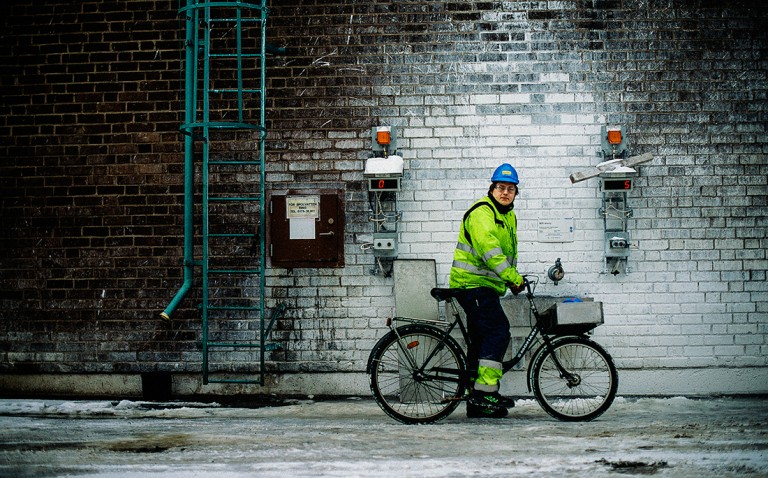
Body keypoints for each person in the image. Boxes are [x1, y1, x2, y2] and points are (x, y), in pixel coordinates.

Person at [449, 163, 525, 419]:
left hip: (484, 286)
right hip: (472, 284)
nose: (505, 193)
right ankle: (485, 392)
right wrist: (513, 278)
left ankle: (477, 403)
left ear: (515, 193)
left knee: (481, 342)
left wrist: (510, 281)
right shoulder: (483, 212)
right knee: (498, 331)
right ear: (491, 189)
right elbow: (491, 252)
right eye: (501, 187)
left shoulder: (507, 216)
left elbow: (506, 254)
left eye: (510, 189)